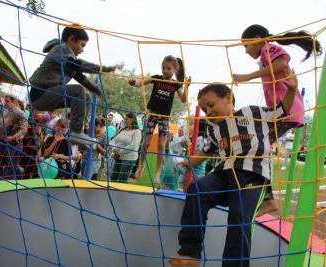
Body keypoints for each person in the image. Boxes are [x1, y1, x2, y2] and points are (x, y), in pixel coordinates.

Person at [167, 69, 299, 267]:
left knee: (239, 217)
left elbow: (281, 111)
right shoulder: (213, 129)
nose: (208, 112)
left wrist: (292, 90)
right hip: (223, 174)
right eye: (204, 110)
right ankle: (190, 253)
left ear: (228, 98)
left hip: (252, 175)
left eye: (211, 105)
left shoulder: (252, 112)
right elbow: (207, 152)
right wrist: (189, 162)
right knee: (197, 188)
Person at [232, 24, 322, 217]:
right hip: (280, 111)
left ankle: (268, 201)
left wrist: (247, 77)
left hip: (286, 110)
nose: (246, 51)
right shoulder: (264, 55)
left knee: (256, 147)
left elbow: (281, 63)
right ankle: (267, 199)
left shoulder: (267, 48)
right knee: (257, 148)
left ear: (257, 39)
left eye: (246, 46)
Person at [29, 24, 118, 147]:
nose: (82, 50)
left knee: (86, 97)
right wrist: (103, 69)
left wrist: (97, 90)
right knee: (78, 90)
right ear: (71, 39)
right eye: (82, 45)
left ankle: (78, 131)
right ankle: (76, 132)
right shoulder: (61, 49)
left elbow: (81, 78)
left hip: (50, 95)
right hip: (40, 93)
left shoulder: (69, 60)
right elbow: (77, 65)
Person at [129, 55, 189, 184]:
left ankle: (157, 172)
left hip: (164, 117)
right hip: (153, 114)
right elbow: (140, 83)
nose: (165, 71)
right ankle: (141, 167)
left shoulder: (176, 84)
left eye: (168, 68)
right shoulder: (156, 78)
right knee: (145, 142)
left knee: (161, 144)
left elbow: (183, 100)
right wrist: (134, 83)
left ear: (174, 70)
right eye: (164, 68)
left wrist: (187, 87)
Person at [0, 95, 28, 179]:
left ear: (14, 102)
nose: (5, 103)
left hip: (14, 143)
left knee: (10, 165)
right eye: (5, 101)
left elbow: (24, 129)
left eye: (7, 101)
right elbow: (0, 124)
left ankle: (9, 183)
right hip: (1, 140)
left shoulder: (20, 113)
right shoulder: (4, 110)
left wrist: (13, 137)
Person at [110, 112, 141, 183]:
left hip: (129, 159)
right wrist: (114, 150)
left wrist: (119, 152)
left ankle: (120, 194)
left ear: (132, 120)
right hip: (117, 157)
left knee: (122, 180)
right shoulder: (122, 129)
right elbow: (113, 141)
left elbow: (133, 146)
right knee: (113, 178)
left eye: (127, 119)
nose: (125, 121)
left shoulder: (137, 131)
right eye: (124, 119)